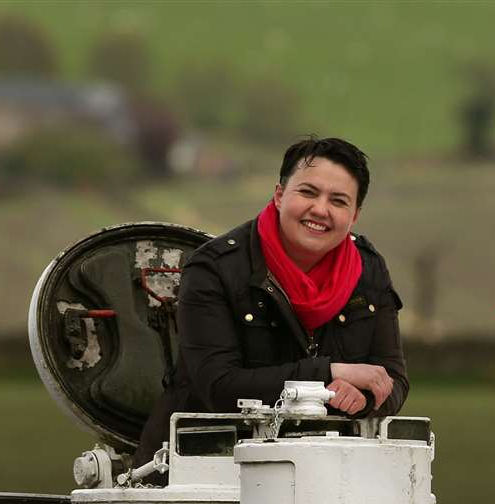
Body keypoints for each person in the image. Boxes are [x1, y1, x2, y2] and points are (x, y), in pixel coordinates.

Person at [137, 136, 407, 463]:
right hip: (202, 466)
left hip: (323, 470)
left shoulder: (369, 269)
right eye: (307, 192)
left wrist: (360, 398)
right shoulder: (214, 268)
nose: (320, 210)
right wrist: (330, 373)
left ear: (355, 215)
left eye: (338, 201)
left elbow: (392, 380)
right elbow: (219, 386)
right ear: (279, 195)